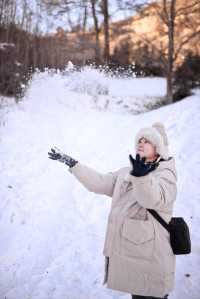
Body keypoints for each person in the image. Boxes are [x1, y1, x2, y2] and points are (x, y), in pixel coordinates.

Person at [48, 122, 177, 299]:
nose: (141, 143)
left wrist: (141, 176)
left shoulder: (166, 175)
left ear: (158, 148)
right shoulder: (127, 172)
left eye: (146, 140)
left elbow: (152, 199)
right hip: (135, 254)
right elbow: (100, 182)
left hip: (153, 257)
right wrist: (73, 164)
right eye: (139, 139)